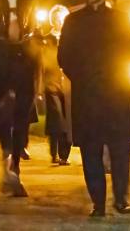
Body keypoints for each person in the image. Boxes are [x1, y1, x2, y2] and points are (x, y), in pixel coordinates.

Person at [58, 0, 130, 217]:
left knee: (120, 149)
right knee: (91, 150)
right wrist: (82, 78)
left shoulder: (121, 19)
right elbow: (64, 57)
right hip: (87, 94)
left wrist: (116, 75)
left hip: (116, 93)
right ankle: (99, 203)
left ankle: (121, 198)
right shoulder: (72, 21)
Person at [38, 11, 71, 165]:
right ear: (53, 20)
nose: (60, 21)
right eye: (57, 18)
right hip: (51, 83)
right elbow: (42, 63)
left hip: (68, 84)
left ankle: (64, 154)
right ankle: (54, 152)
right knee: (56, 117)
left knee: (67, 117)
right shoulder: (46, 39)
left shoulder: (70, 37)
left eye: (62, 18)